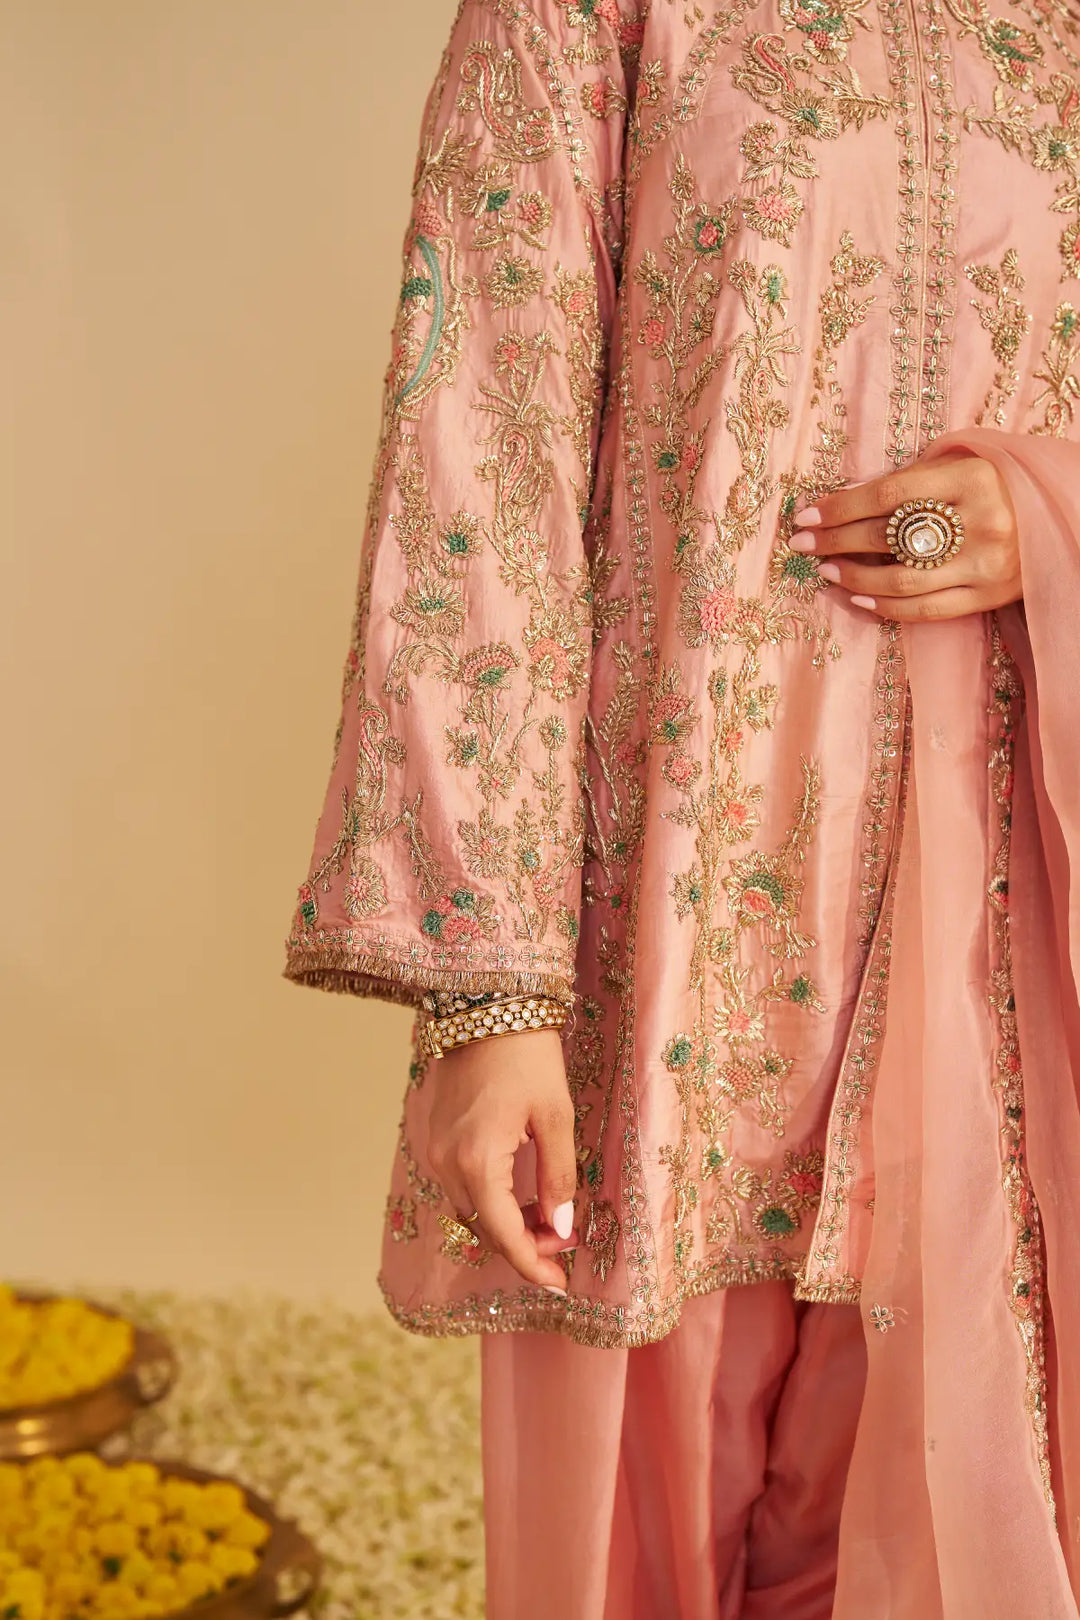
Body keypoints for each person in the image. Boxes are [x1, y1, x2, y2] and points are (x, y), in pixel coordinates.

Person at [284, 0, 1080, 1612]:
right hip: (662, 949)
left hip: (1003, 956)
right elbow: (478, 451)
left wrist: (1047, 509)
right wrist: (488, 990)